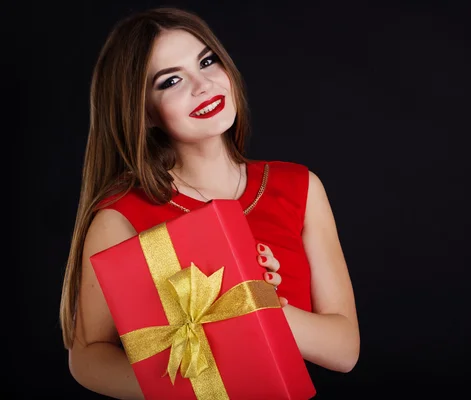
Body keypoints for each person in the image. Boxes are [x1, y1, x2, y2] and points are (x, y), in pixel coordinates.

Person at [58, 6, 360, 399]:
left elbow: (344, 351)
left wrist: (257, 302)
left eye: (207, 61)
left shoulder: (300, 186)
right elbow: (87, 357)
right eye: (170, 81)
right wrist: (192, 391)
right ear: (142, 111)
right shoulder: (122, 216)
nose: (202, 86)